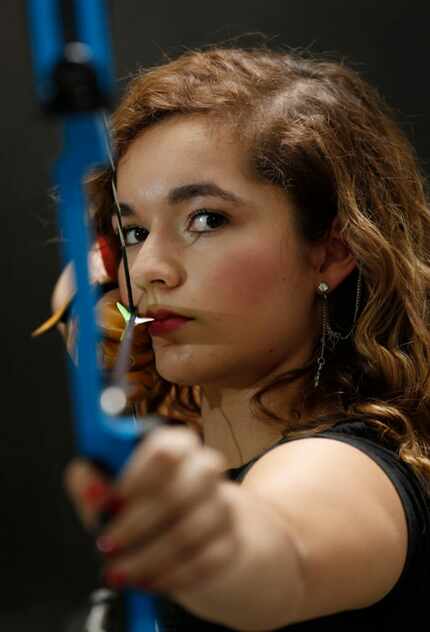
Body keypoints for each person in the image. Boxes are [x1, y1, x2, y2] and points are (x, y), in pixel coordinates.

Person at [48, 46, 430, 630]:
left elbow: (282, 555)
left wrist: (214, 542)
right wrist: (103, 307)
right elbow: (94, 299)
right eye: (133, 230)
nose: (150, 267)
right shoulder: (158, 346)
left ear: (333, 249)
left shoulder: (345, 468)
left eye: (207, 219)